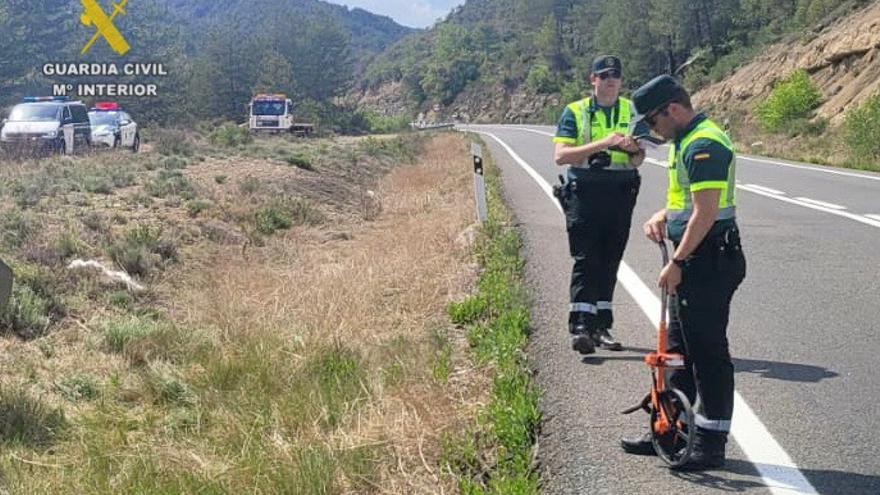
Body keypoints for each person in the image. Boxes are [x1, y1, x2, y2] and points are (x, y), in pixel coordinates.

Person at [620, 75, 747, 469]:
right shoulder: (683, 141)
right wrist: (664, 216)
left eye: (654, 123)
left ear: (672, 109)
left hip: (709, 260)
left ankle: (710, 443)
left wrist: (677, 262)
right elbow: (687, 204)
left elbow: (707, 213)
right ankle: (670, 429)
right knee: (676, 350)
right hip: (695, 255)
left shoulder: (703, 144)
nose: (653, 132)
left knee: (706, 352)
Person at [553, 55, 645, 355]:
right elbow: (561, 155)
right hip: (585, 190)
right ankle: (581, 326)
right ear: (593, 79)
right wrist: (603, 143)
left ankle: (601, 325)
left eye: (615, 76)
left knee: (610, 260)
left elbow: (640, 158)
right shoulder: (575, 111)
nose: (610, 80)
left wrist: (633, 150)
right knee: (586, 259)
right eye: (604, 75)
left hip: (620, 192)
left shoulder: (631, 110)